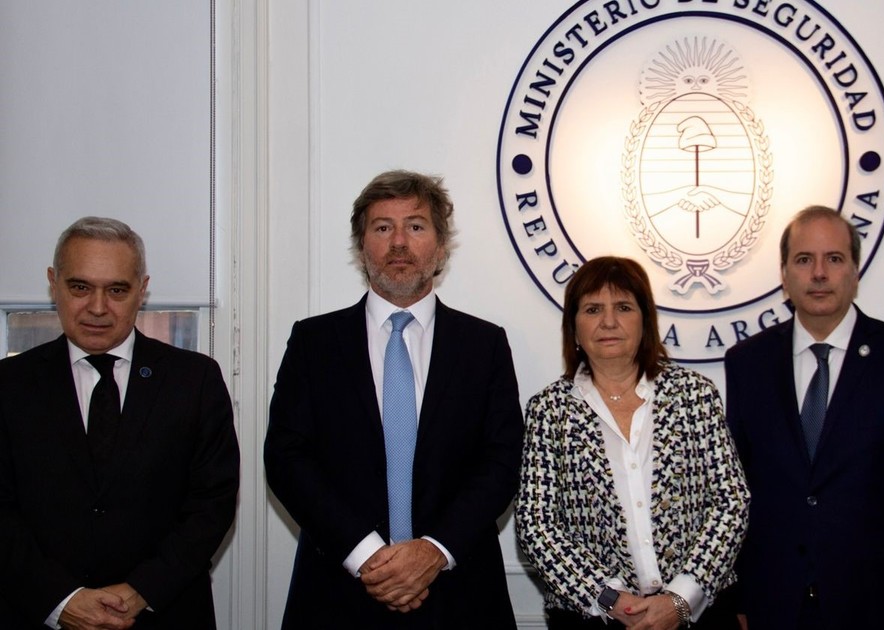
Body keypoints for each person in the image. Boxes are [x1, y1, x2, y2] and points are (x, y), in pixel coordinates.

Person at [264, 169, 524, 628]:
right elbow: (287, 458)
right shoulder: (314, 343)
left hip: (459, 595)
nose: (399, 242)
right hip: (338, 593)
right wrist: (368, 556)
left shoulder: (483, 345)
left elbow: (502, 460)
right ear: (361, 245)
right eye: (383, 227)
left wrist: (434, 552)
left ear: (441, 247)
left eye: (416, 226)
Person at [724, 206, 884, 629]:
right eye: (804, 260)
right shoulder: (747, 364)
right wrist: (736, 598)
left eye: (834, 259)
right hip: (771, 606)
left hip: (879, 606)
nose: (819, 273)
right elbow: (736, 491)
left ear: (855, 271)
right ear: (784, 275)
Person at [0, 217, 240, 629]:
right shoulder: (8, 385)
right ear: (53, 284)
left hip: (165, 613)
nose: (97, 308)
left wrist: (141, 591)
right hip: (36, 613)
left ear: (142, 290)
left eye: (116, 290)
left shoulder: (194, 380)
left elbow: (211, 504)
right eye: (80, 287)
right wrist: (63, 601)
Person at [517, 256, 749, 630]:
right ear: (574, 327)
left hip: (701, 616)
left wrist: (681, 598)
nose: (608, 322)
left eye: (623, 307)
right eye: (593, 309)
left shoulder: (695, 395)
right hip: (593, 619)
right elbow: (535, 524)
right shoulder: (549, 410)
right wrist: (609, 599)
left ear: (646, 321)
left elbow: (731, 501)